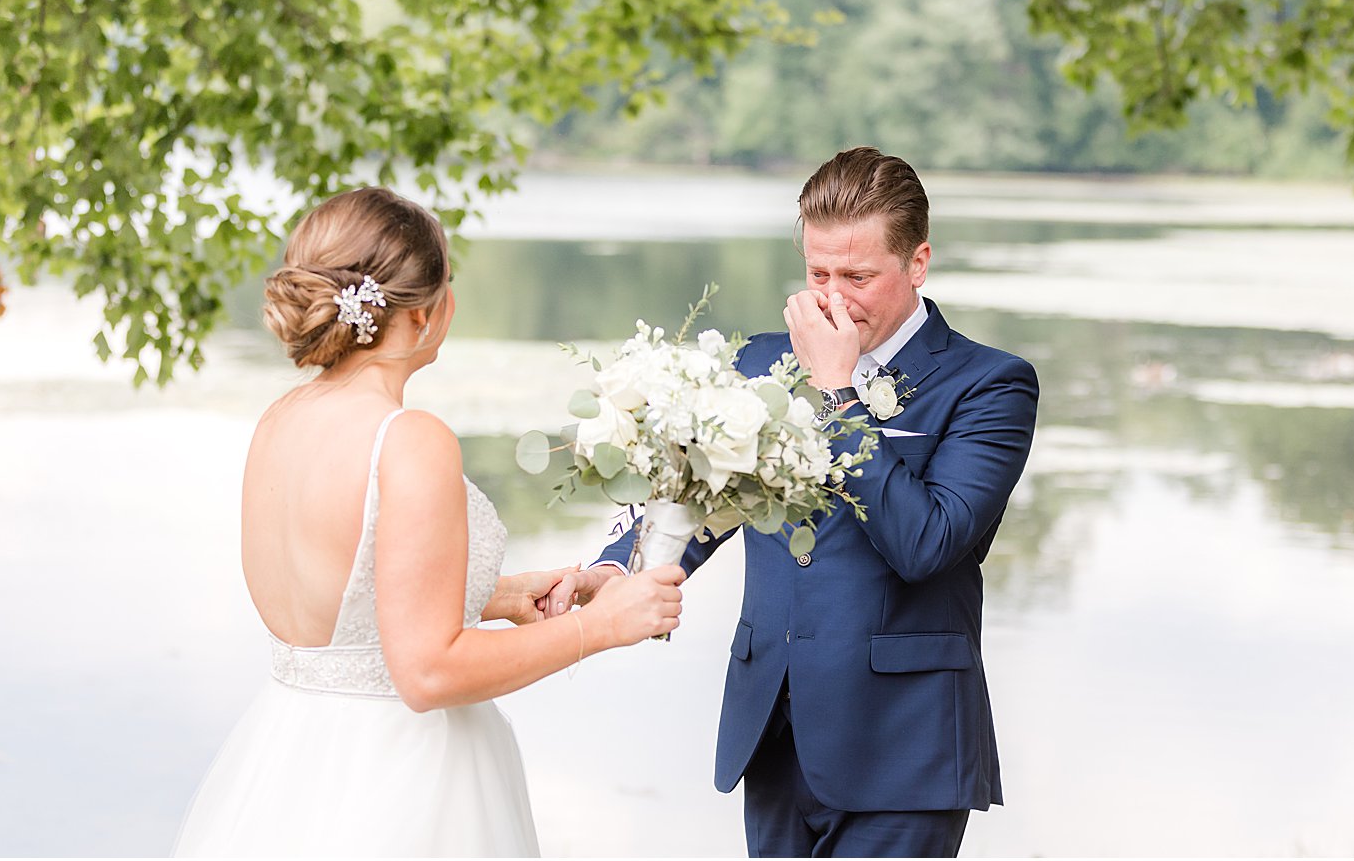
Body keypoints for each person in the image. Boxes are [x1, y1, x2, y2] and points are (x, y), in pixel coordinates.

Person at [545, 147, 1038, 858]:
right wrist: (619, 568)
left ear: (918, 263)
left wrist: (838, 394)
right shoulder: (760, 364)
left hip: (904, 744)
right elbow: (697, 496)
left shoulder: (990, 384)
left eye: (858, 277)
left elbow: (927, 544)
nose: (833, 300)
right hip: (772, 729)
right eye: (817, 275)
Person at [173, 187, 684, 857]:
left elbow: (341, 598)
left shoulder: (280, 420)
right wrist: (601, 626)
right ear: (427, 311)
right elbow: (428, 672)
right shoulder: (408, 439)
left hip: (295, 760)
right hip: (400, 781)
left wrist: (497, 595)